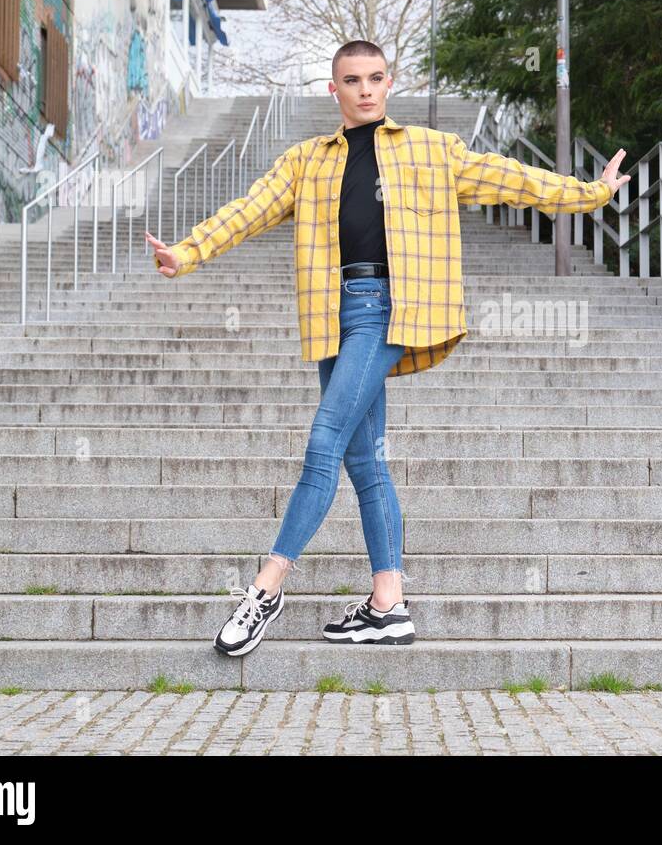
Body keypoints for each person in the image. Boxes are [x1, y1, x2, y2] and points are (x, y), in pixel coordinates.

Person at [145, 39, 630, 653]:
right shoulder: (307, 160)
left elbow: (511, 179)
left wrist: (590, 193)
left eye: (376, 78)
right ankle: (388, 605)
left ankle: (266, 588)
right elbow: (250, 210)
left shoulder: (430, 149)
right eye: (353, 80)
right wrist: (186, 252)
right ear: (334, 90)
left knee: (324, 440)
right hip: (331, 313)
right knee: (364, 459)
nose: (366, 89)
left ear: (390, 83)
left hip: (386, 311)